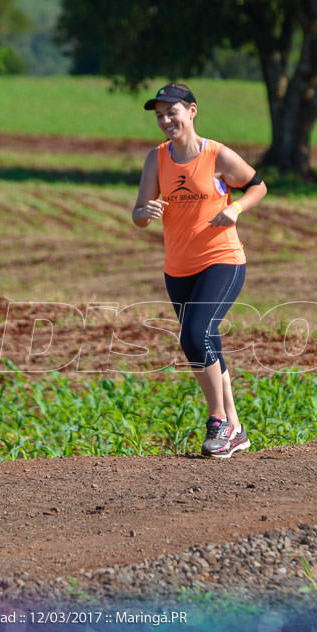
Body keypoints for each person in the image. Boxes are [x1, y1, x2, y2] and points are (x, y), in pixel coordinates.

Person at [131, 83, 268, 458]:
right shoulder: (156, 159)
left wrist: (236, 208)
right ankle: (236, 429)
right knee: (207, 343)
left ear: (192, 111)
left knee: (194, 334)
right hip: (178, 268)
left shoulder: (217, 155)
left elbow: (258, 186)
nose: (165, 120)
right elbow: (138, 213)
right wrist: (145, 213)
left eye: (171, 112)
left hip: (221, 259)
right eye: (159, 115)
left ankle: (218, 421)